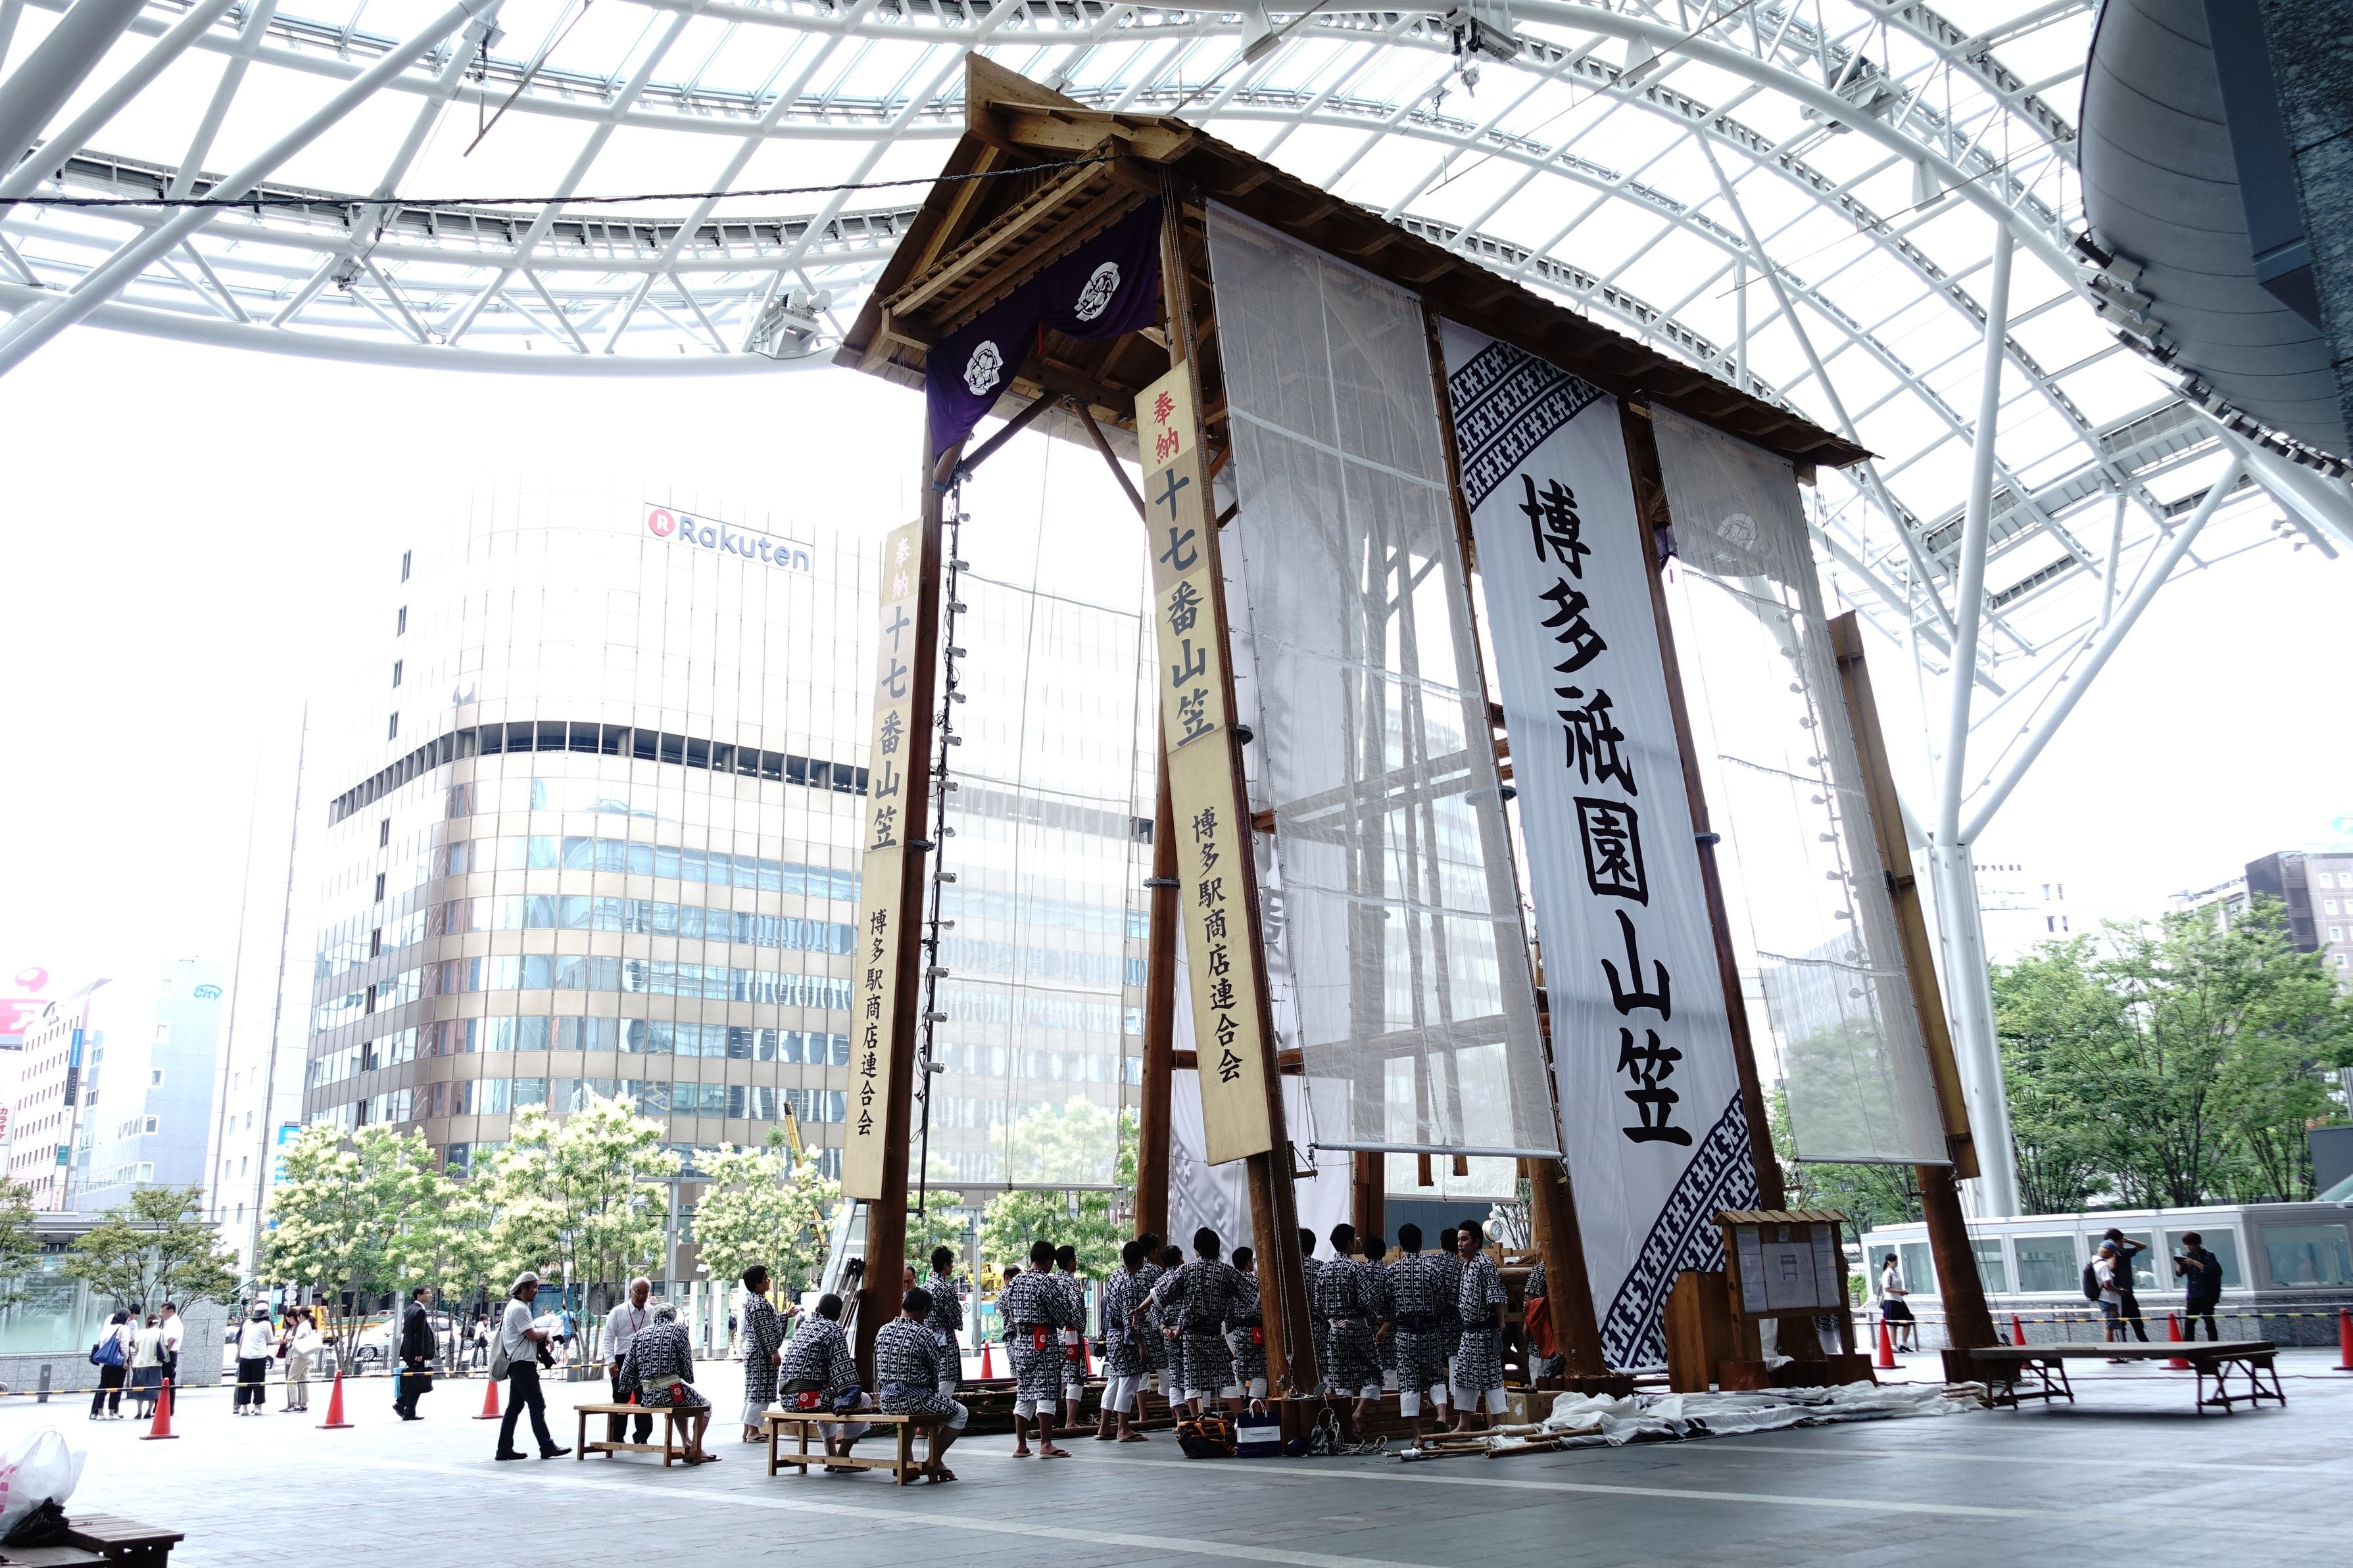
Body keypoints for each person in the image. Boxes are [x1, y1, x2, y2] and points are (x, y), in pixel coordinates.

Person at [1153, 1227, 1252, 1421]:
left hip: (1188, 1335)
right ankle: (1242, 1422)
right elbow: (1252, 1297)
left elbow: (1157, 1299)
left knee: (1189, 1380)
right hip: (1213, 1334)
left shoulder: (1186, 1271)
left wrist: (1155, 1321)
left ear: (1197, 1249)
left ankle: (1194, 1423)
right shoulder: (1226, 1271)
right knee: (1226, 1380)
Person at [876, 1288, 968, 1483]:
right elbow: (935, 1374)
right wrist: (933, 1394)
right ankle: (934, 1459)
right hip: (915, 1400)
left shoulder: (883, 1330)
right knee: (961, 1413)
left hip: (886, 1401)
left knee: (910, 1412)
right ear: (924, 1311)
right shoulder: (923, 1333)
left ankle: (907, 1460)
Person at [1000, 1238, 1080, 1458]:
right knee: (1047, 1390)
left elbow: (1007, 1310)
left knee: (1025, 1392)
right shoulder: (1047, 1282)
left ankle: (1021, 1445)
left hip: (1021, 1342)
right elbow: (1062, 1315)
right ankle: (1046, 1444)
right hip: (1043, 1341)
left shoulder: (1015, 1282)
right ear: (1049, 1261)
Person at [777, 1292, 869, 1469]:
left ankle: (831, 1454)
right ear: (838, 1315)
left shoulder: (803, 1326)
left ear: (817, 1309)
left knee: (826, 1398)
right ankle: (842, 1458)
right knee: (863, 1400)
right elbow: (844, 1374)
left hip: (787, 1397)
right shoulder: (834, 1330)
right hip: (807, 1399)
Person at [1386, 1224, 1453, 1448]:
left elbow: (1387, 1306)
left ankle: (1418, 1436)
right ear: (1421, 1243)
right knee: (1435, 1376)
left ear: (1401, 1245)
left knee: (1409, 1382)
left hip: (1405, 1333)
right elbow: (1442, 1301)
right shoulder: (1431, 1269)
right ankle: (1441, 1416)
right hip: (1430, 1330)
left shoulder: (1392, 1271)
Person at [494, 1271, 570, 1460]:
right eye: (534, 1287)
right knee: (537, 1405)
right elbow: (532, 1334)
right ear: (523, 1288)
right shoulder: (519, 1309)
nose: (536, 1291)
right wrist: (547, 1332)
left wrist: (543, 1333)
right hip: (523, 1364)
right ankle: (546, 1445)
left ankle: (504, 1448)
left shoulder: (515, 1307)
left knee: (515, 1406)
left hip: (519, 1362)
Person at [629, 1303, 717, 1464]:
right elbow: (686, 1360)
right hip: (671, 1391)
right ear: (673, 1316)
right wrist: (688, 1378)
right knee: (706, 1406)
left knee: (682, 1402)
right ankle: (696, 1448)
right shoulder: (678, 1329)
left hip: (648, 1396)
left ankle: (687, 1442)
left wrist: (627, 1388)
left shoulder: (640, 1334)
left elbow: (629, 1368)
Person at [1450, 1219, 1509, 1432]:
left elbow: (1497, 1296)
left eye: (1464, 1239)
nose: (1460, 1244)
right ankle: (1463, 1423)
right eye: (1459, 1239)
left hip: (1485, 1331)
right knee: (1463, 1376)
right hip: (1468, 1331)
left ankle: (1496, 1423)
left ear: (1476, 1242)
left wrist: (1500, 1322)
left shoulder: (1485, 1264)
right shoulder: (1466, 1265)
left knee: (1491, 1377)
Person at [1094, 1239, 1151, 1442]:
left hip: (1112, 1335)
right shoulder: (1130, 1284)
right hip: (1125, 1338)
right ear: (1141, 1260)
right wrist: (1142, 1345)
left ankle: (1104, 1426)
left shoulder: (1115, 1275)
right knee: (1129, 1380)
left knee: (1115, 1380)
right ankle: (1123, 1428)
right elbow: (1130, 1321)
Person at [737, 1265, 796, 1444]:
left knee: (753, 1390)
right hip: (761, 1353)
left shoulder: (756, 1301)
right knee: (760, 1391)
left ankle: (748, 1430)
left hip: (755, 1351)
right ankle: (753, 1431)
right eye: (765, 1278)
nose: (768, 1280)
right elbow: (765, 1330)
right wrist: (774, 1351)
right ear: (757, 1283)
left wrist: (785, 1316)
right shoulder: (759, 1304)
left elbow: (769, 1324)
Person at [605, 1276, 654, 1449]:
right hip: (622, 1359)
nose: (641, 1296)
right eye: (638, 1292)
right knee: (621, 1398)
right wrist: (611, 1361)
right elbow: (608, 1338)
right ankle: (617, 1437)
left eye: (645, 1292)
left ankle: (642, 1437)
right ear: (630, 1292)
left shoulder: (652, 1312)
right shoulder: (618, 1312)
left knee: (645, 1398)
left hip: (645, 1361)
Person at [1226, 1245, 1269, 1407]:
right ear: (1248, 1263)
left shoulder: (1230, 1284)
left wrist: (1232, 1326)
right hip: (1256, 1331)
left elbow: (1228, 1312)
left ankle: (1241, 1405)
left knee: (1239, 1372)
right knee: (1259, 1372)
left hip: (1238, 1332)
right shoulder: (1256, 1283)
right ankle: (1254, 1405)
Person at [1054, 1244, 1088, 1431]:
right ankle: (1070, 1421)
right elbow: (1078, 1312)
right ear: (1070, 1262)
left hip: (1052, 1335)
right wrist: (1081, 1327)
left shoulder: (1051, 1281)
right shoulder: (1071, 1284)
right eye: (1075, 1260)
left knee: (1055, 1376)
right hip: (1070, 1334)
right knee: (1074, 1376)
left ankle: (1048, 1419)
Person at [1132, 1232, 1168, 1408]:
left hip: (1135, 1327)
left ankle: (1142, 1414)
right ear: (1152, 1251)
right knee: (1164, 1368)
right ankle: (1173, 1411)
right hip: (1155, 1327)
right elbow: (1163, 1300)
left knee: (1142, 1372)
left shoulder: (1130, 1271)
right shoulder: (1156, 1271)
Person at [923, 1246, 965, 1395]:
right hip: (945, 1340)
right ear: (946, 1265)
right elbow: (957, 1320)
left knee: (933, 1378)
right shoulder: (946, 1288)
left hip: (928, 1336)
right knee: (947, 1380)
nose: (952, 1266)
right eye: (951, 1263)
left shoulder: (926, 1285)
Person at [394, 1285, 436, 1421]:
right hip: (415, 1353)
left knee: (415, 1381)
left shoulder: (410, 1309)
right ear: (419, 1296)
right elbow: (419, 1334)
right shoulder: (419, 1311)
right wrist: (419, 1353)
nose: (430, 1296)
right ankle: (402, 1405)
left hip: (408, 1350)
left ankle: (407, 1410)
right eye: (428, 1293)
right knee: (416, 1381)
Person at [2102, 1228, 2150, 1342]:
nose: (2122, 1243)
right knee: (2121, 1325)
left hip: (2129, 1292)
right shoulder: (2107, 1256)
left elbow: (2143, 1246)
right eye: (2120, 1240)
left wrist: (2127, 1241)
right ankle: (2124, 1348)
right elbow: (2112, 1267)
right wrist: (2113, 1252)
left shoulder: (2124, 1252)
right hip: (2118, 1295)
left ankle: (2146, 1347)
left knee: (2137, 1322)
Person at [2174, 1233, 2224, 1341]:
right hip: (2193, 1294)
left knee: (2209, 1323)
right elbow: (2179, 1274)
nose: (2188, 1247)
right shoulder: (2186, 1255)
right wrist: (2180, 1263)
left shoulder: (2208, 1255)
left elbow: (2213, 1271)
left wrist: (2194, 1263)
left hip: (2207, 1294)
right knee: (2189, 1323)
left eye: (2190, 1244)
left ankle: (2214, 1345)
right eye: (2186, 1244)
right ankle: (2189, 1346)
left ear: (2197, 1244)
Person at [1299, 1227, 1328, 1394]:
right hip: (1317, 1326)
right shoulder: (1322, 1268)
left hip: (1292, 1329)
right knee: (1322, 1366)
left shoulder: (1286, 1267)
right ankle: (1324, 1399)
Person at [233, 1305, 275, 1416]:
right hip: (259, 1356)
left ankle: (244, 1408)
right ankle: (257, 1407)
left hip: (245, 1355)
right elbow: (270, 1340)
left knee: (244, 1382)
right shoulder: (266, 1324)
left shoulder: (247, 1322)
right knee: (259, 1382)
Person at [2094, 1242, 2129, 1360]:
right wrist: (2119, 1291)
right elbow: (2107, 1285)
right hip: (2108, 1299)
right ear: (2107, 1252)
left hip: (2102, 1298)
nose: (2113, 1255)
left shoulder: (2094, 1260)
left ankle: (2111, 1354)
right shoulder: (2103, 1265)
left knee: (2108, 1325)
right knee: (2110, 1326)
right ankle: (2112, 1355)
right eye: (2112, 1253)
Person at [284, 1308, 321, 1413]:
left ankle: (295, 1404)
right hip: (308, 1356)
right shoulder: (308, 1325)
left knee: (291, 1379)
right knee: (303, 1380)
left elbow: (297, 1341)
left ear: (300, 1316)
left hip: (300, 1356)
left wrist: (292, 1339)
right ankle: (304, 1404)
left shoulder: (302, 1326)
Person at [129, 1314, 166, 1420]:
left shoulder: (141, 1332)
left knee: (139, 1389)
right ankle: (149, 1411)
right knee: (154, 1389)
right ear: (157, 1322)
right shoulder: (160, 1332)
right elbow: (164, 1347)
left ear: (147, 1321)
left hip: (140, 1363)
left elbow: (137, 1349)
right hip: (155, 1364)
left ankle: (139, 1412)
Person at [1878, 1254, 1916, 1352]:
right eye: (1894, 1261)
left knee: (1909, 1320)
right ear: (1889, 1262)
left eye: (1896, 1260)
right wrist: (1900, 1292)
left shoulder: (1896, 1273)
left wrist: (1902, 1292)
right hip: (1891, 1301)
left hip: (1899, 1300)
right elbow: (1887, 1288)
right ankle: (1893, 1346)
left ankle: (1904, 1344)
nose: (1896, 1262)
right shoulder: (1887, 1273)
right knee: (1893, 1324)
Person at [158, 1302, 183, 1389]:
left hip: (170, 1353)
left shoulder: (174, 1322)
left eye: (164, 1312)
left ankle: (170, 1398)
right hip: (169, 1352)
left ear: (171, 1311)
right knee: (166, 1379)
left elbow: (172, 1339)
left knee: (168, 1379)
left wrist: (166, 1353)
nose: (162, 1314)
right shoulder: (170, 1322)